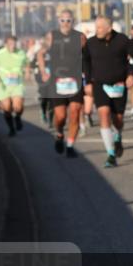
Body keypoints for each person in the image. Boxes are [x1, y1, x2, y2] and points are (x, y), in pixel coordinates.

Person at [83, 16, 133, 167]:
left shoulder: (122, 40)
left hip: (119, 84)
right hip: (100, 84)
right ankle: (111, 155)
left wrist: (131, 74)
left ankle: (118, 136)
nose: (97, 30)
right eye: (96, 27)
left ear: (109, 28)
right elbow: (85, 61)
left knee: (118, 120)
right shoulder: (91, 43)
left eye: (100, 27)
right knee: (104, 114)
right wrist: (88, 81)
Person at [38, 9, 87, 158]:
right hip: (57, 81)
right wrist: (43, 72)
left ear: (73, 22)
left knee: (75, 112)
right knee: (60, 116)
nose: (65, 23)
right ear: (58, 21)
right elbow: (40, 53)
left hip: (75, 80)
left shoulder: (80, 37)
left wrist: (88, 74)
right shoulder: (52, 36)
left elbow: (89, 55)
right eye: (63, 20)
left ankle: (70, 145)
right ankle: (59, 133)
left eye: (68, 20)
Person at [0, 35, 32, 136]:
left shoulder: (21, 52)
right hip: (3, 85)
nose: (12, 46)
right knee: (7, 108)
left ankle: (17, 118)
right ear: (6, 44)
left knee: (18, 106)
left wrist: (27, 72)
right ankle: (11, 128)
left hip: (17, 84)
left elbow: (27, 63)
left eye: (14, 44)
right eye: (10, 44)